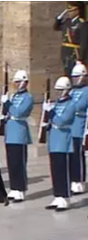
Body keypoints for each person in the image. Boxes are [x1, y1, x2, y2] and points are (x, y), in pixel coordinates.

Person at [41, 76, 76, 211]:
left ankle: (65, 197)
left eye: (60, 90)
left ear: (67, 90)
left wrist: (50, 112)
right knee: (54, 170)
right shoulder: (56, 104)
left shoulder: (71, 104)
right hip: (54, 140)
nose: (58, 92)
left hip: (63, 140)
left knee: (63, 170)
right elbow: (52, 121)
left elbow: (62, 121)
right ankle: (57, 195)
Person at [2, 70, 34, 202]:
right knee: (12, 163)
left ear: (25, 82)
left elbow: (19, 112)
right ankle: (14, 187)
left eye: (18, 82)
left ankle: (21, 188)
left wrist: (8, 104)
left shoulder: (28, 98)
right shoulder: (14, 96)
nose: (16, 85)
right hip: (10, 132)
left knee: (20, 163)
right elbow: (10, 112)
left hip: (20, 133)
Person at [53, 2, 88, 76]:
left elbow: (84, 42)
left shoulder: (82, 23)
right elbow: (56, 27)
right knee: (67, 72)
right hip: (66, 52)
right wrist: (59, 18)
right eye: (68, 11)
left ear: (77, 11)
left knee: (75, 74)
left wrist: (80, 58)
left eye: (71, 11)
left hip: (75, 53)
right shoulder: (67, 22)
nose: (69, 13)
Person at [69, 63, 88, 194]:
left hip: (80, 126)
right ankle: (72, 179)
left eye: (77, 77)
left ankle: (80, 180)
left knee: (78, 155)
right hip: (70, 127)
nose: (75, 79)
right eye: (73, 77)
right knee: (70, 155)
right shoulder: (72, 91)